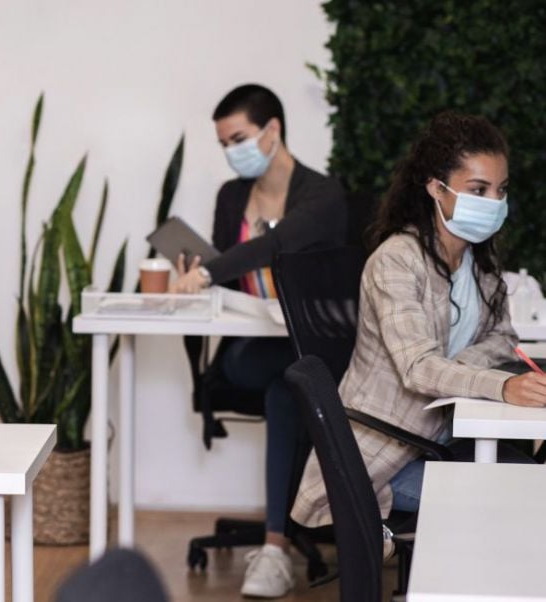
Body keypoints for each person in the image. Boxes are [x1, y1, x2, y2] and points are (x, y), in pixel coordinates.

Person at [291, 112, 541, 540]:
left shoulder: (478, 260)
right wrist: (497, 385)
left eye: (500, 191)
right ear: (434, 187)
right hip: (383, 460)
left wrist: (461, 366)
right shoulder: (396, 261)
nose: (493, 202)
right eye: (478, 189)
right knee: (518, 501)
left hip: (442, 439)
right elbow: (418, 369)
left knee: (531, 487)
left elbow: (503, 338)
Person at [169, 84, 347, 598]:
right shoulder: (231, 197)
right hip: (249, 349)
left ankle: (274, 549)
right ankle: (275, 548)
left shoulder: (323, 195)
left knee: (287, 387)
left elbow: (275, 244)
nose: (231, 152)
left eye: (239, 138)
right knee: (286, 380)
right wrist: (195, 273)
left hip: (311, 348)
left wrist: (208, 273)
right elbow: (227, 268)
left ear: (273, 130)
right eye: (223, 143)